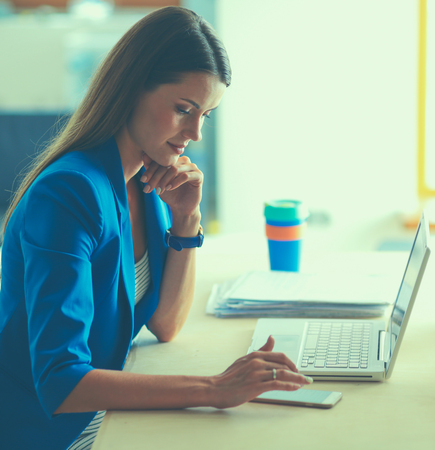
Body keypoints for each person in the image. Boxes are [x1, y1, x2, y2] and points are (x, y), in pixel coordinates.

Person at [0, 6, 312, 450]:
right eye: (184, 109)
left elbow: (165, 321)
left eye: (205, 114)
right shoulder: (69, 193)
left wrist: (186, 220)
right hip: (51, 435)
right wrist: (214, 389)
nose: (195, 133)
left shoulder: (146, 180)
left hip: (105, 422)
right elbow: (61, 383)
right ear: (131, 89)